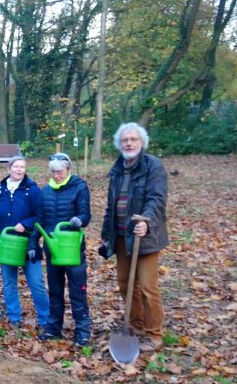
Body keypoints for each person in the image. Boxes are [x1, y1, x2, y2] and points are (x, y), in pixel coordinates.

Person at [101, 122, 169, 353]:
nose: (129, 143)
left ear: (142, 142)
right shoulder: (118, 169)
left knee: (148, 286)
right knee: (125, 283)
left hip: (145, 237)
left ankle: (154, 333)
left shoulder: (153, 166)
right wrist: (105, 236)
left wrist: (145, 220)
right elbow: (111, 206)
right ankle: (137, 326)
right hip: (121, 236)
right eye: (125, 140)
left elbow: (157, 200)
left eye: (133, 139)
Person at [34, 153, 91, 346]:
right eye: (53, 172)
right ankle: (53, 329)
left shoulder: (79, 187)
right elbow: (39, 220)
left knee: (77, 291)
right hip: (53, 249)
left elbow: (86, 213)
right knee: (55, 291)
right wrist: (35, 242)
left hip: (72, 248)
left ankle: (82, 331)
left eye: (59, 172)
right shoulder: (45, 191)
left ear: (68, 170)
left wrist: (80, 220)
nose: (56, 175)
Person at [0, 155, 50, 328]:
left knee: (36, 282)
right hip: (6, 245)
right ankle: (14, 317)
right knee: (9, 283)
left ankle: (45, 319)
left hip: (28, 244)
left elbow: (41, 215)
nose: (19, 170)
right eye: (15, 167)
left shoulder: (32, 190)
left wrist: (25, 224)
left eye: (22, 167)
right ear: (8, 169)